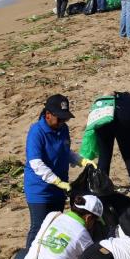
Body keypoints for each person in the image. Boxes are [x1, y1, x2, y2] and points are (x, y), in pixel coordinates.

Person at [23, 94, 95, 250]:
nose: (63, 122)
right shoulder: (36, 132)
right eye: (60, 118)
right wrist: (56, 181)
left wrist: (81, 160)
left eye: (65, 119)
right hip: (40, 191)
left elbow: (65, 151)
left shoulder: (63, 129)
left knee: (55, 225)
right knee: (38, 227)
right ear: (48, 115)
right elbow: (36, 163)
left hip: (60, 189)